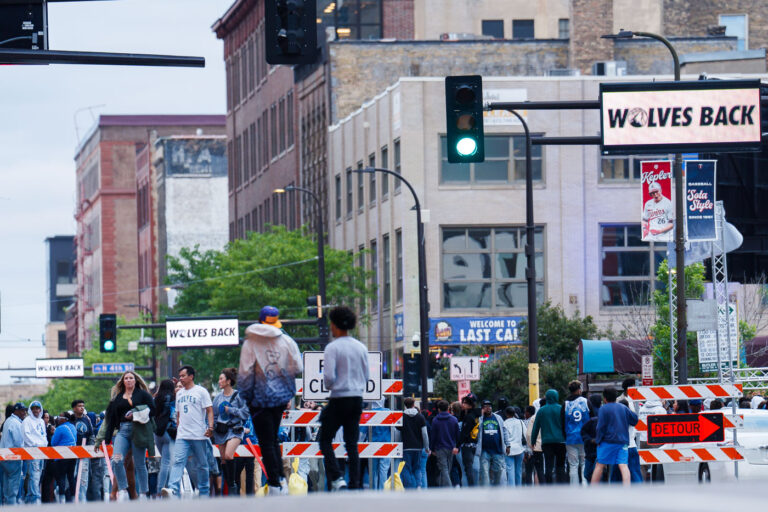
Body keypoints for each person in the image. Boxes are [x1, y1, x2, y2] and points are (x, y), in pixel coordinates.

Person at [238, 305, 302, 495]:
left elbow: (244, 372)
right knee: (273, 438)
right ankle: (280, 479)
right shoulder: (287, 341)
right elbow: (298, 367)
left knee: (266, 441)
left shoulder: (251, 343)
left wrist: (246, 396)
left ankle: (275, 482)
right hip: (280, 398)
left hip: (258, 399)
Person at [318, 305, 369, 491]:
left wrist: (331, 386)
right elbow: (367, 376)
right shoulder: (361, 347)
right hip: (356, 399)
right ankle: (355, 484)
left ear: (335, 325)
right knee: (352, 443)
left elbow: (328, 377)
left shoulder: (332, 348)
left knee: (325, 438)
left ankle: (337, 477)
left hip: (339, 398)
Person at [97, 371, 155, 500]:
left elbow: (153, 410)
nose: (128, 380)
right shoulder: (118, 398)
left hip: (138, 430)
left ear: (135, 380)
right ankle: (122, 489)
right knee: (116, 460)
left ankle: (143, 493)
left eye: (131, 378)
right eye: (126, 378)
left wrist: (136, 414)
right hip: (122, 431)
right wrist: (107, 438)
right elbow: (111, 418)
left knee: (140, 464)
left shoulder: (143, 394)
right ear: (123, 381)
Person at [162, 366, 214, 498]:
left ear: (191, 376)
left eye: (183, 376)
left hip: (198, 434)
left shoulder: (201, 391)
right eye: (180, 376)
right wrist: (179, 428)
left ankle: (204, 491)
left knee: (202, 464)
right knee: (178, 462)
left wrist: (210, 427)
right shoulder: (179, 393)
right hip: (182, 435)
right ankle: (173, 489)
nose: (180, 378)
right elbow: (178, 414)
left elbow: (209, 410)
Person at [212, 367, 249, 496]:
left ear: (228, 381)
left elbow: (245, 413)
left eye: (221, 379)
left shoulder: (239, 396)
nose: (219, 381)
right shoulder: (217, 398)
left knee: (228, 455)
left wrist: (231, 410)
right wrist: (212, 427)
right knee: (223, 460)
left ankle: (232, 484)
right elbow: (214, 415)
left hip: (235, 430)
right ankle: (230, 486)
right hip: (221, 431)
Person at [591, 388, 638, 486]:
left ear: (604, 398)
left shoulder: (603, 409)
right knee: (623, 465)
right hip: (622, 441)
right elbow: (634, 420)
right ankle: (627, 489)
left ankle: (593, 488)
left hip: (607, 442)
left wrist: (598, 440)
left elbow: (600, 427)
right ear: (615, 397)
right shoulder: (623, 407)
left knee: (600, 465)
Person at [530, 389, 566, 484]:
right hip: (561, 441)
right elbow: (566, 425)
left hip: (547, 442)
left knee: (549, 465)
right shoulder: (561, 408)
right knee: (560, 465)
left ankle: (549, 486)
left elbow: (535, 428)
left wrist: (533, 441)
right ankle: (561, 484)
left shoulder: (541, 411)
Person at [562, 380, 590, 485]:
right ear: (579, 390)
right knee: (584, 463)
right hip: (584, 438)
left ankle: (574, 487)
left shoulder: (565, 404)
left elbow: (562, 422)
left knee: (573, 465)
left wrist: (565, 436)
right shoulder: (586, 402)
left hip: (570, 438)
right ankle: (585, 486)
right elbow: (592, 418)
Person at [398, 396, 428, 488]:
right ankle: (418, 486)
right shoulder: (420, 417)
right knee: (417, 468)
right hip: (418, 447)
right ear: (413, 404)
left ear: (405, 405)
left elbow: (398, 432)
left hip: (406, 447)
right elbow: (424, 433)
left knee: (406, 468)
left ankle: (409, 487)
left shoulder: (402, 417)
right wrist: (426, 447)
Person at [153, 379, 177, 496]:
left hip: (157, 433)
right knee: (167, 462)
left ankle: (160, 489)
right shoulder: (173, 399)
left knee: (163, 461)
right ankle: (162, 489)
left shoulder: (156, 399)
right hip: (169, 431)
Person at [1, 403, 26, 504]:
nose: (24, 413)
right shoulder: (16, 423)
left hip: (4, 457)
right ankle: (11, 506)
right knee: (13, 487)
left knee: (7, 484)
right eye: (22, 410)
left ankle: (8, 505)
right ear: (16, 411)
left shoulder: (8, 421)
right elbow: (19, 442)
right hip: (13, 457)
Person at [22, 401, 46, 504]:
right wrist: (35, 445)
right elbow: (26, 436)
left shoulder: (41, 421)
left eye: (37, 408)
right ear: (30, 410)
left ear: (40, 409)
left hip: (42, 452)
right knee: (34, 476)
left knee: (38, 475)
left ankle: (30, 499)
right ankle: (35, 498)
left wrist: (44, 444)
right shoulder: (27, 421)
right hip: (33, 451)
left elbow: (43, 435)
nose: (36, 410)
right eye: (34, 408)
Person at [429, 400, 458, 487]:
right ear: (448, 408)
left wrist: (432, 448)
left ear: (438, 409)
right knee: (448, 468)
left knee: (444, 469)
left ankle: (447, 487)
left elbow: (433, 436)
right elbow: (457, 434)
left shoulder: (435, 420)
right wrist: (457, 446)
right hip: (451, 447)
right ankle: (445, 487)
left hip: (440, 447)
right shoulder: (454, 419)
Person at [50, 412, 77, 502]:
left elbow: (53, 442)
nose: (58, 419)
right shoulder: (73, 427)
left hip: (61, 456)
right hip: (73, 455)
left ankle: (62, 499)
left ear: (64, 419)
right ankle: (73, 498)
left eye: (59, 417)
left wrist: (53, 434)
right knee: (71, 477)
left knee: (61, 477)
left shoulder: (60, 428)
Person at [71, 399, 94, 502]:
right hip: (72, 452)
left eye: (83, 406)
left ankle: (82, 498)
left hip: (85, 451)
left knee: (84, 477)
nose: (82, 408)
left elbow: (91, 435)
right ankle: (70, 497)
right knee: (73, 475)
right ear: (74, 408)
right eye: (79, 406)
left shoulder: (87, 419)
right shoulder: (71, 419)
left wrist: (91, 449)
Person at [457, 395, 480, 487]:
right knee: (472, 469)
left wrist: (457, 445)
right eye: (463, 402)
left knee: (468, 469)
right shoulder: (475, 415)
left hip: (467, 445)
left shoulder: (469, 417)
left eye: (465, 403)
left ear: (470, 405)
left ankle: (471, 488)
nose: (463, 404)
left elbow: (464, 433)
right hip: (475, 445)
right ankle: (472, 487)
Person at [580, 394, 602, 483]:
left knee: (588, 473)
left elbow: (583, 430)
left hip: (590, 447)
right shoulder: (603, 412)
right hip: (600, 446)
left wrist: (589, 439)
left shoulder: (588, 413)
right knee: (597, 471)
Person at [502, 406, 525, 487]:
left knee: (510, 470)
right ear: (514, 413)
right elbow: (526, 435)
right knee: (518, 470)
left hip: (509, 450)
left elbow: (504, 437)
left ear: (506, 414)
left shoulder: (504, 423)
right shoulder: (520, 422)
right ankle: (519, 487)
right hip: (519, 449)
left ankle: (512, 489)